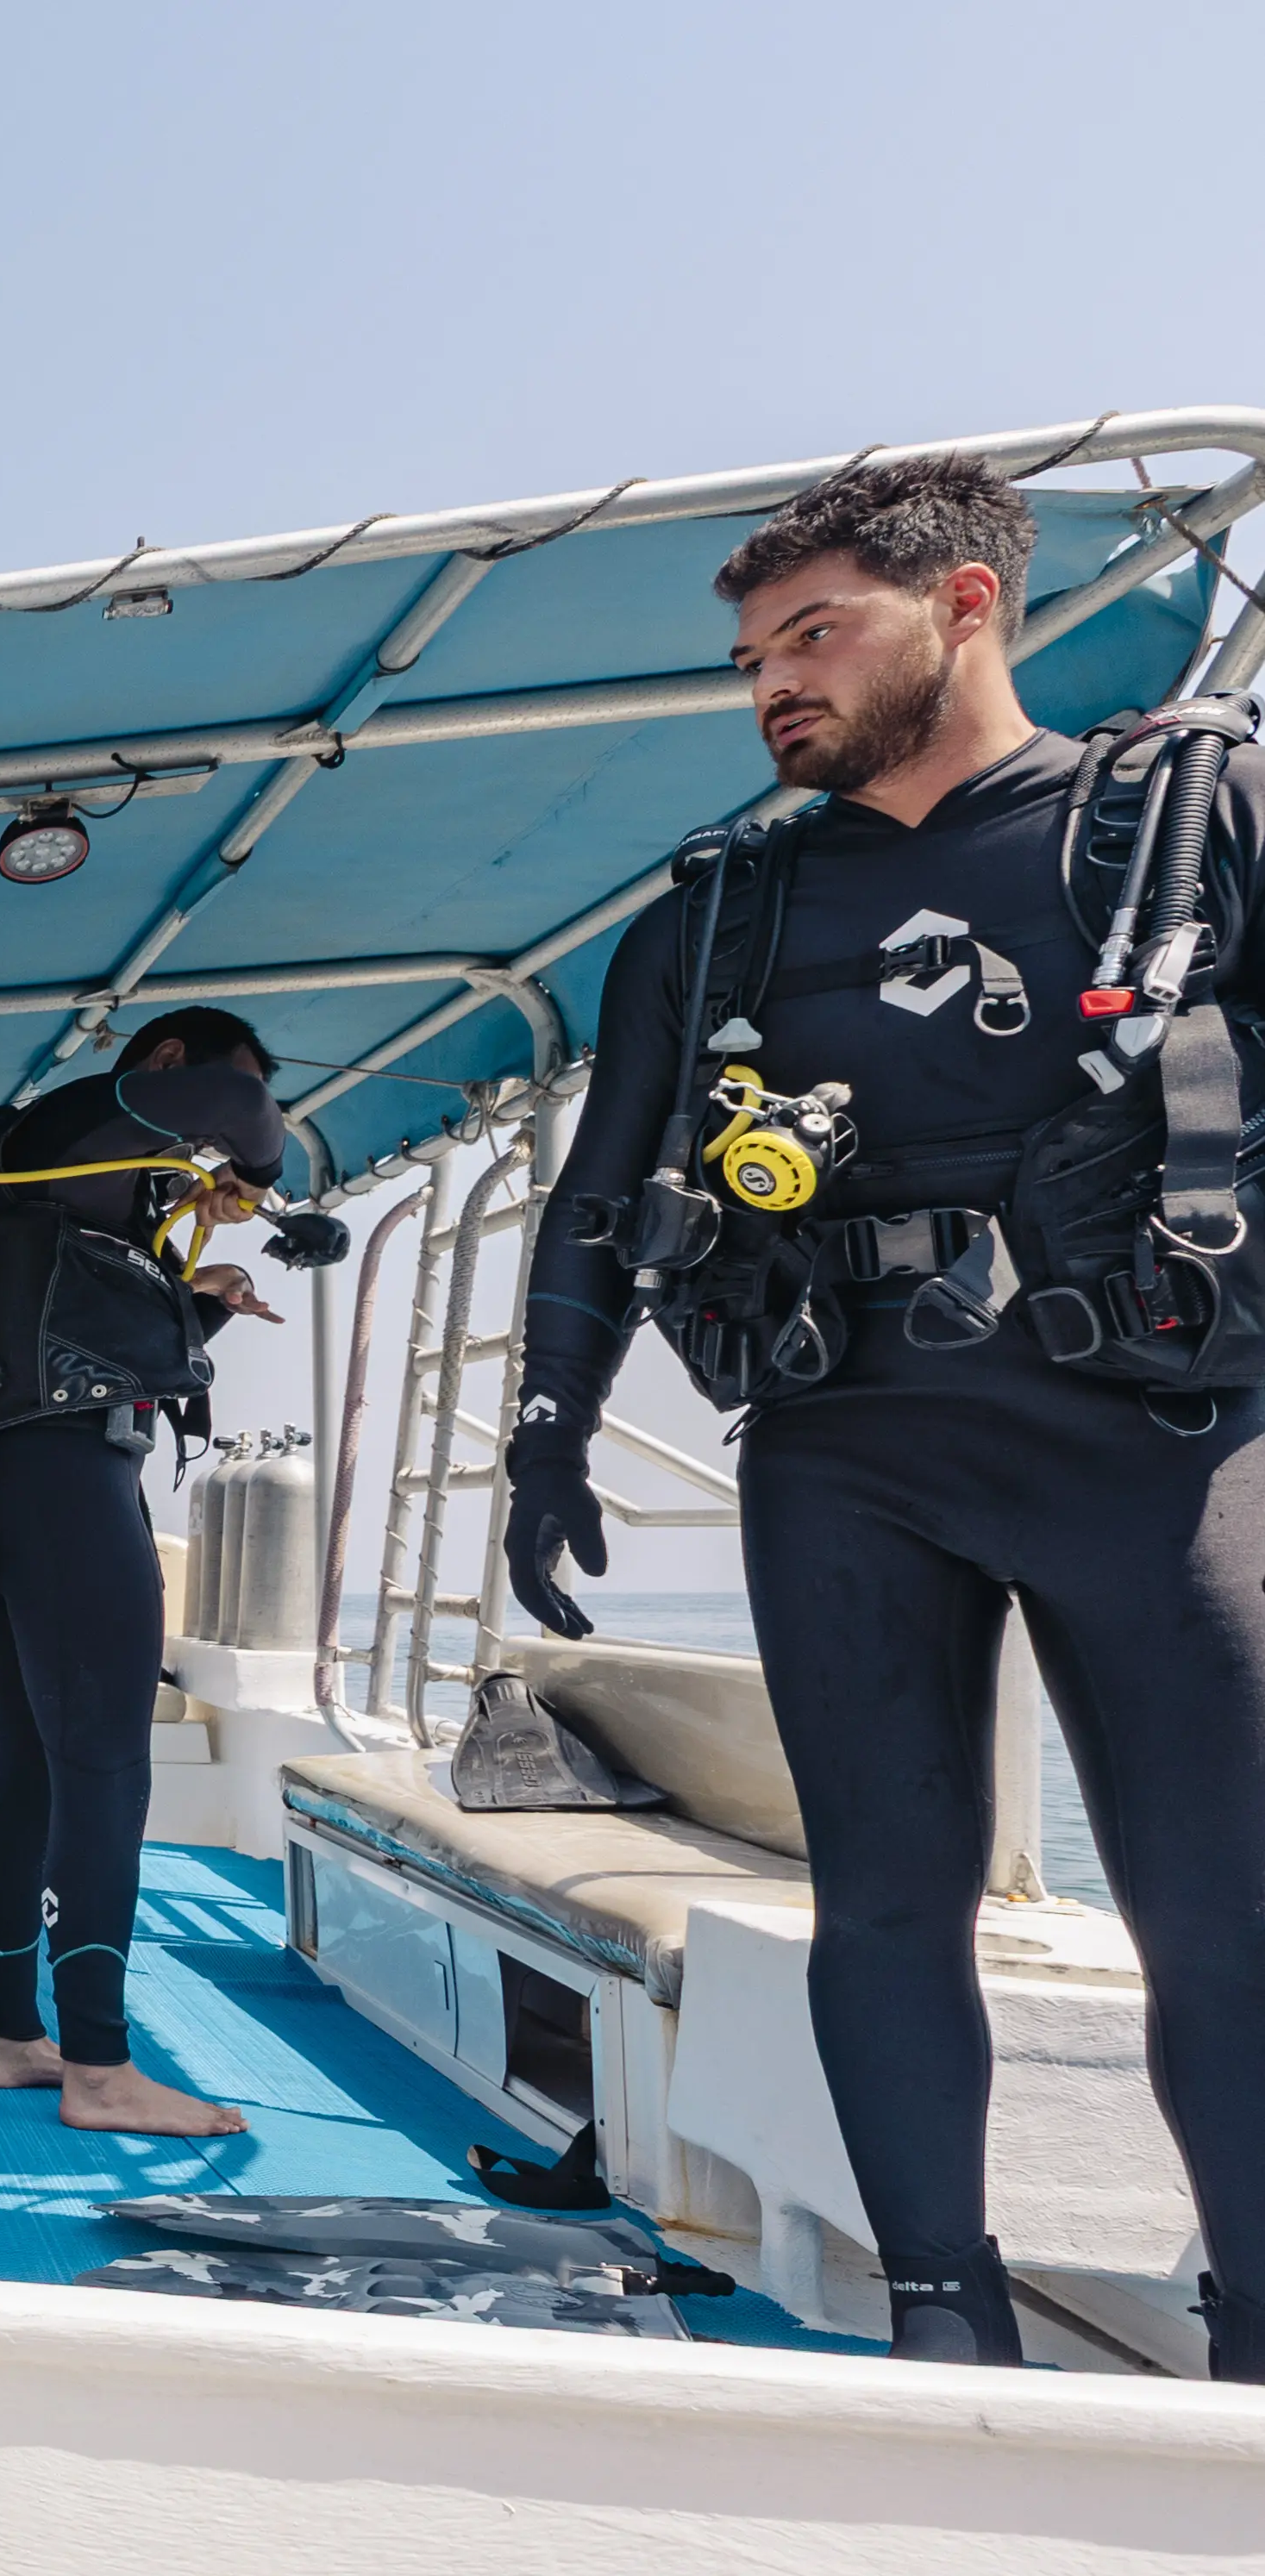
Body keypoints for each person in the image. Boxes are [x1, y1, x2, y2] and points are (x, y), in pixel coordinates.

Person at [504, 453, 1265, 2375]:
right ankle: (943, 2320)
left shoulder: (1192, 822)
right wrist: (545, 1427)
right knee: (886, 1905)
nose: (774, 683)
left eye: (813, 634)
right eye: (752, 657)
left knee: (1224, 1921)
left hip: (1160, 1436)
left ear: (966, 605)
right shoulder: (718, 920)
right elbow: (598, 1192)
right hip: (845, 1445)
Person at [0, 1004, 297, 2136]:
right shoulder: (77, 1115)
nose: (207, 1139)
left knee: (33, 1772)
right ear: (170, 1061)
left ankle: (8, 2034)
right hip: (65, 1483)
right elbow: (241, 1107)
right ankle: (99, 2068)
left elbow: (71, 1332)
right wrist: (254, 1171)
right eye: (211, 1088)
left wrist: (202, 1306)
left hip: (9, 1475)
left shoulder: (49, 1173)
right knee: (104, 1769)